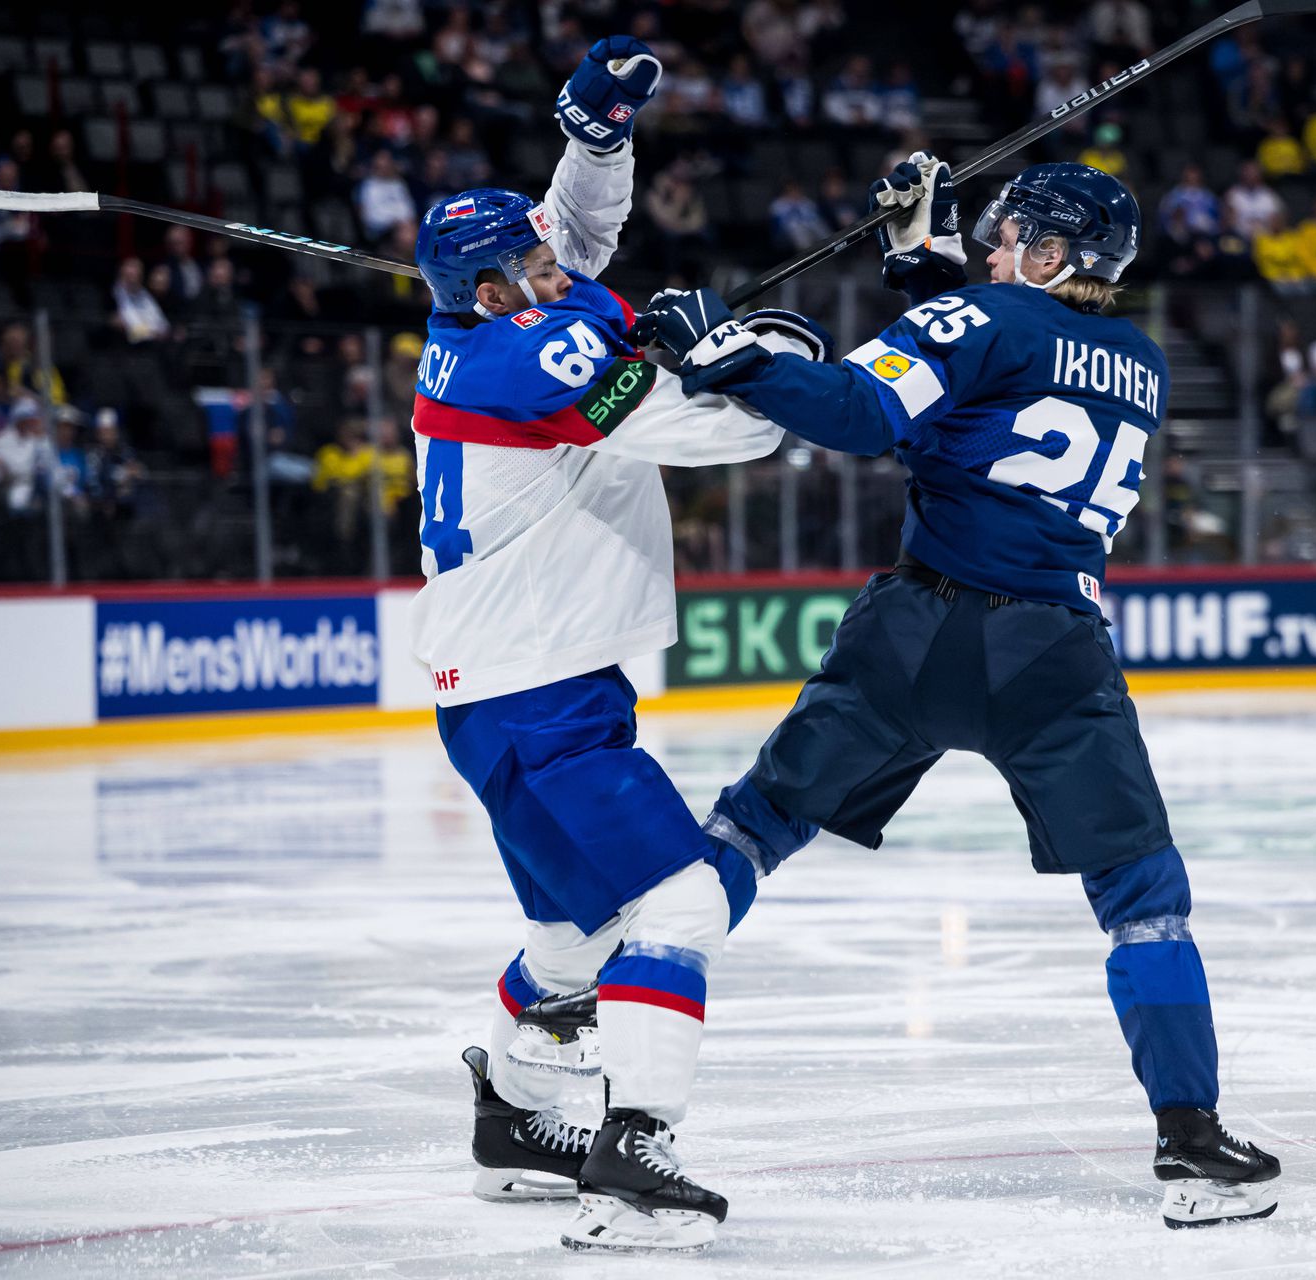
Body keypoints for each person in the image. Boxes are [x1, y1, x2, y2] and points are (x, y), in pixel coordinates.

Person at [632, 156, 1283, 1229]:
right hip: (1054, 659)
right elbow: (1002, 360)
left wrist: (723, 354)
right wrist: (913, 266)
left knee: (752, 829)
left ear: (1055, 253)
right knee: (1145, 900)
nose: (988, 248)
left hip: (917, 637)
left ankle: (629, 1063)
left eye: (1009, 234)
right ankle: (1191, 1139)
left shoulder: (986, 316)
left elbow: (860, 408)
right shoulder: (1141, 359)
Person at [404, 39, 828, 1252]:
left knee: (570, 939)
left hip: (486, 688)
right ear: (488, 292)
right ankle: (634, 1152)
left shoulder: (505, 315)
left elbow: (582, 248)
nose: (555, 265)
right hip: (543, 681)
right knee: (681, 901)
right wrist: (761, 359)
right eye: (526, 265)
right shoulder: (528, 350)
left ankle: (514, 1117)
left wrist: (597, 139)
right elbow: (698, 432)